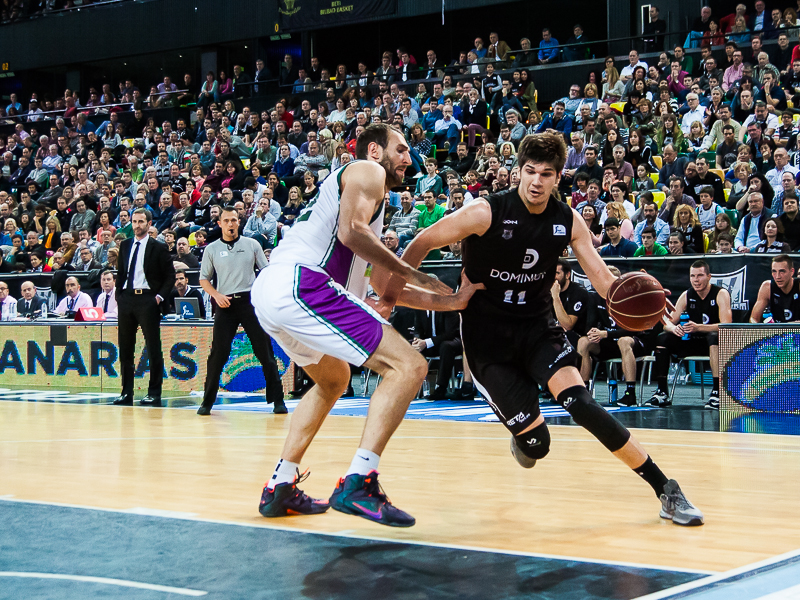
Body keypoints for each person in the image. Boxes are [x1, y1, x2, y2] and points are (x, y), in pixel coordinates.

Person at [388, 132, 704, 526]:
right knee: (538, 446)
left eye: (547, 174)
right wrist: (391, 290)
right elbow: (421, 241)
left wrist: (650, 306)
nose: (536, 181)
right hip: (488, 342)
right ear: (518, 172)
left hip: (538, 328)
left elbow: (604, 282)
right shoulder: (486, 212)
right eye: (530, 171)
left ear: (559, 178)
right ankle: (523, 433)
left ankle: (666, 489)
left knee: (582, 404)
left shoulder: (567, 220)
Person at [251, 124, 477, 527]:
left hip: (276, 291)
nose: (410, 159)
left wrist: (451, 302)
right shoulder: (365, 170)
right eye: (402, 149)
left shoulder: (375, 200)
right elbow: (349, 232)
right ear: (375, 150)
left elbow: (380, 289)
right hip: (303, 283)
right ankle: (360, 479)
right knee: (409, 366)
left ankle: (280, 485)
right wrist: (415, 272)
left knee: (334, 379)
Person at [197, 207, 286, 415]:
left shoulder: (252, 244)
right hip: (225, 303)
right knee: (218, 354)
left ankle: (277, 400)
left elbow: (266, 271)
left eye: (234, 220)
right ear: (219, 223)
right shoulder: (212, 249)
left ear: (239, 222)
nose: (230, 224)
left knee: (265, 352)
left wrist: (263, 296)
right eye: (226, 220)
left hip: (249, 302)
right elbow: (203, 279)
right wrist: (216, 295)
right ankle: (207, 402)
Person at [113, 208, 176, 407]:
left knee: (153, 347)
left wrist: (158, 297)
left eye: (141, 221)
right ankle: (126, 393)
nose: (137, 225)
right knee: (125, 348)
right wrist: (119, 296)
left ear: (149, 224)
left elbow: (170, 276)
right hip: (127, 298)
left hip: (148, 299)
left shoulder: (158, 247)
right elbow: (121, 273)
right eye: (134, 221)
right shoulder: (124, 245)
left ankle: (154, 392)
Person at [649, 261, 732, 410]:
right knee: (663, 337)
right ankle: (662, 392)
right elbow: (666, 322)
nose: (696, 280)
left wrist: (698, 327)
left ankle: (717, 393)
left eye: (700, 275)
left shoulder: (720, 293)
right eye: (692, 276)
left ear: (709, 277)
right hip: (692, 342)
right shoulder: (687, 294)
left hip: (713, 344)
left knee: (714, 336)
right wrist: (674, 329)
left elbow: (726, 324)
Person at [577, 267, 655, 407]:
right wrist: (593, 332)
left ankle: (630, 394)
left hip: (633, 341)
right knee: (583, 342)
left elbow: (632, 330)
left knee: (623, 341)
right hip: (607, 342)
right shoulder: (594, 297)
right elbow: (589, 324)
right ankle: (584, 391)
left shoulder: (630, 298)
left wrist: (606, 333)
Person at [751, 255, 800, 322]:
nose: (777, 276)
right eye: (774, 271)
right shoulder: (767, 287)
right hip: (777, 331)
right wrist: (757, 329)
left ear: (792, 271)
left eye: (782, 271)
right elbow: (753, 318)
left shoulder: (798, 285)